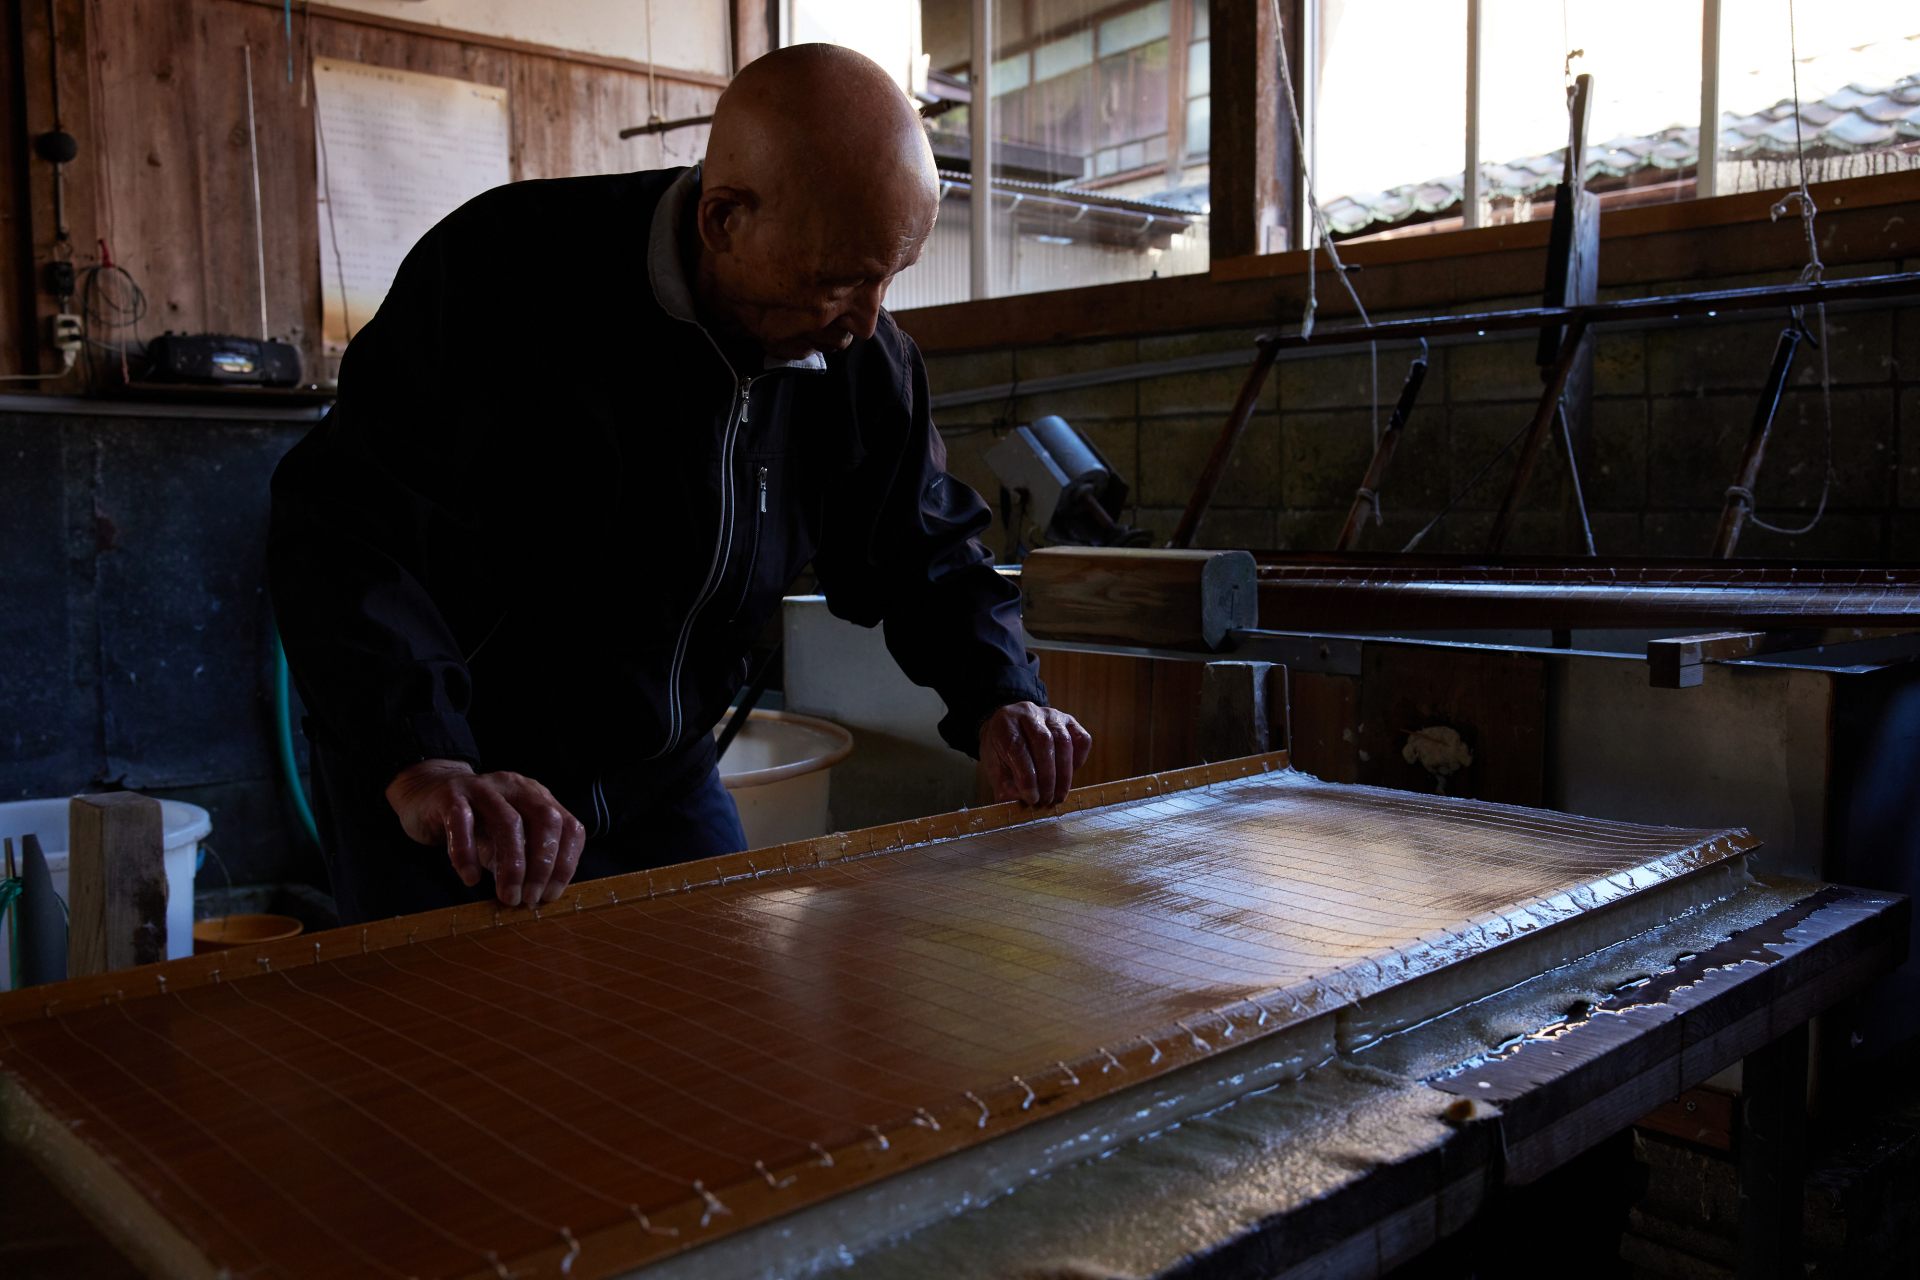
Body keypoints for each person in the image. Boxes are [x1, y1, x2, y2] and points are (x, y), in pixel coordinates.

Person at [269, 44, 1092, 924]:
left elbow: (918, 543)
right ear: (724, 219)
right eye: (838, 281)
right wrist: (422, 756)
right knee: (461, 1048)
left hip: (660, 778)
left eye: (890, 277)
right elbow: (348, 528)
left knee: (720, 1027)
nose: (865, 320)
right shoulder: (502, 275)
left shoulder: (858, 359)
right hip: (467, 784)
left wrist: (1001, 693)